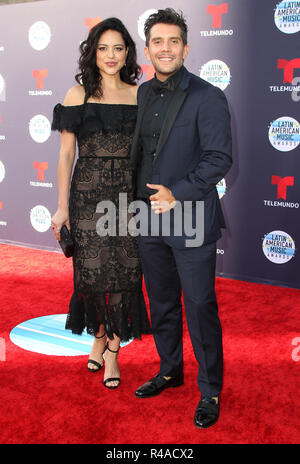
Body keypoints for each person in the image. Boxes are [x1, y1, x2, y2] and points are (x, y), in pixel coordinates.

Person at [131, 9, 232, 428]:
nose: (166, 48)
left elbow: (218, 158)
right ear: (148, 49)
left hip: (189, 216)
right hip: (147, 217)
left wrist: (179, 193)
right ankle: (170, 370)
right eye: (158, 41)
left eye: (174, 41)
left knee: (200, 306)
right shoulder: (142, 93)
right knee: (161, 304)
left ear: (186, 48)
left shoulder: (208, 96)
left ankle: (209, 390)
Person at [51, 17, 151, 390]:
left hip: (128, 199)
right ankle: (98, 334)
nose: (111, 56)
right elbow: (65, 156)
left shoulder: (139, 94)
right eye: (103, 48)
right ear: (92, 51)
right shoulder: (78, 94)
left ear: (128, 53)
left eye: (118, 48)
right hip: (87, 196)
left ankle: (112, 350)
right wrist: (62, 208)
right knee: (91, 275)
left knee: (125, 273)